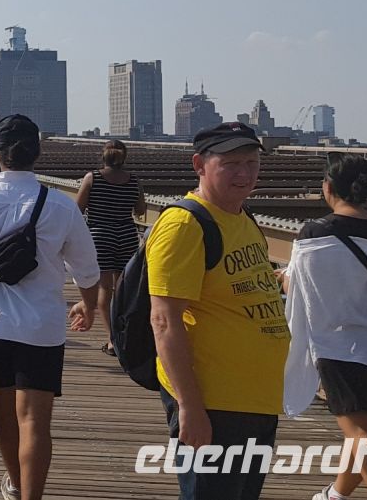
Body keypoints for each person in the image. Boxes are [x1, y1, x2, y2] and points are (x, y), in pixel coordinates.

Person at [0, 115, 100, 500]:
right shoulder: (62, 208)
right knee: (35, 422)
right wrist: (88, 307)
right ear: (37, 154)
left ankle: (14, 483)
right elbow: (88, 272)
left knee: (4, 411)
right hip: (43, 326)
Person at [147, 122, 287, 500]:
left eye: (252, 162)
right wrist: (189, 406)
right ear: (199, 164)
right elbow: (164, 320)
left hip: (256, 400)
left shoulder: (244, 220)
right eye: (230, 163)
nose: (244, 174)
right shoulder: (185, 224)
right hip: (213, 403)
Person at [285, 154, 367, 500]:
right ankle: (336, 494)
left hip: (337, 346)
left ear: (327, 188)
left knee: (360, 435)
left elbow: (301, 287)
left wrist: (283, 280)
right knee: (362, 428)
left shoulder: (315, 233)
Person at [74, 140, 145, 356]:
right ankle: (128, 336)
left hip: (99, 235)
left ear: (103, 156)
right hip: (126, 235)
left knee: (105, 288)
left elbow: (78, 208)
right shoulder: (133, 180)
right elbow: (140, 210)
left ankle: (112, 339)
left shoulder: (92, 178)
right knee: (123, 288)